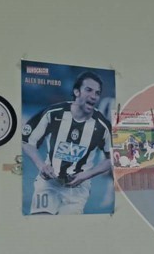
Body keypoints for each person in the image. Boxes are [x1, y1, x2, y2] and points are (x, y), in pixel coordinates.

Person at [22, 71, 113, 215]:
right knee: (41, 221)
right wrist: (42, 165)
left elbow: (112, 158)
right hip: (48, 183)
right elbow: (27, 141)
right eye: (88, 90)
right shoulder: (54, 113)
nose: (93, 96)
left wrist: (87, 174)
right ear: (76, 91)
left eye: (97, 93)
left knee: (67, 226)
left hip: (78, 189)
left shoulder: (102, 125)